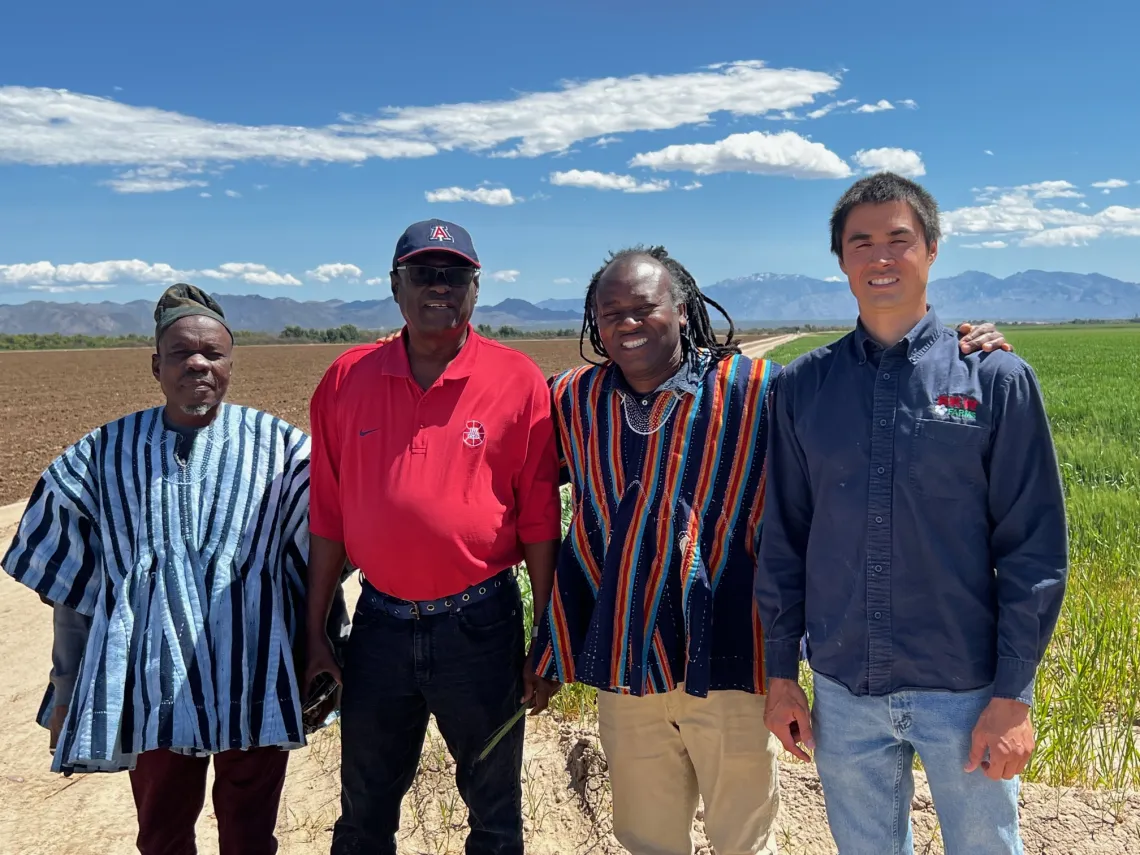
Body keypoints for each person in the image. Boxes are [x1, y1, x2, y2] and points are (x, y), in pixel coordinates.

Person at [530, 245, 1012, 855]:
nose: (626, 322)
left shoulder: (758, 388)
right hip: (628, 665)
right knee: (646, 835)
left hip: (733, 660)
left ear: (682, 311)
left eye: (644, 307)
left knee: (743, 835)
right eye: (609, 311)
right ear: (592, 323)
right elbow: (499, 448)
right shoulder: (572, 399)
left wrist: (956, 351)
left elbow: (860, 397)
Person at [757, 172, 1068, 855]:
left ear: (932, 248)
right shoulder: (803, 386)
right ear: (840, 259)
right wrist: (782, 675)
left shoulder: (993, 378)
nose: (880, 257)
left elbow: (1034, 547)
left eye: (899, 238)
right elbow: (784, 537)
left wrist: (1014, 694)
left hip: (966, 688)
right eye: (860, 242)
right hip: (843, 686)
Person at [2, 284, 329, 855]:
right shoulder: (101, 455)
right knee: (161, 835)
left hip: (251, 673)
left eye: (214, 353)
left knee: (251, 836)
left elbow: (323, 556)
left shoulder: (285, 451)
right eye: (181, 353)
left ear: (231, 363)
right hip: (147, 681)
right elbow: (73, 589)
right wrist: (64, 689)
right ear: (157, 365)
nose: (198, 363)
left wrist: (321, 650)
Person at [304, 218, 563, 855]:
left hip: (480, 627)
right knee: (364, 813)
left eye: (454, 274)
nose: (438, 286)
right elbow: (328, 518)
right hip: (380, 627)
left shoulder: (518, 379)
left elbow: (538, 521)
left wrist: (549, 635)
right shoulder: (346, 379)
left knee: (494, 814)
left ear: (476, 288)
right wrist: (314, 631)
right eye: (423, 273)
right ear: (396, 287)